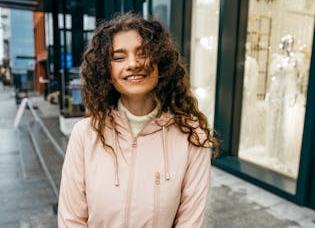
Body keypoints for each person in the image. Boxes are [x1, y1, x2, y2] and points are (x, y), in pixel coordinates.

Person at [58, 13, 219, 227]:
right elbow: (71, 219)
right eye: (119, 57)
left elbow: (189, 222)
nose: (133, 64)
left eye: (143, 53)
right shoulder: (85, 133)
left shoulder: (192, 136)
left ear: (160, 61)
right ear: (106, 70)